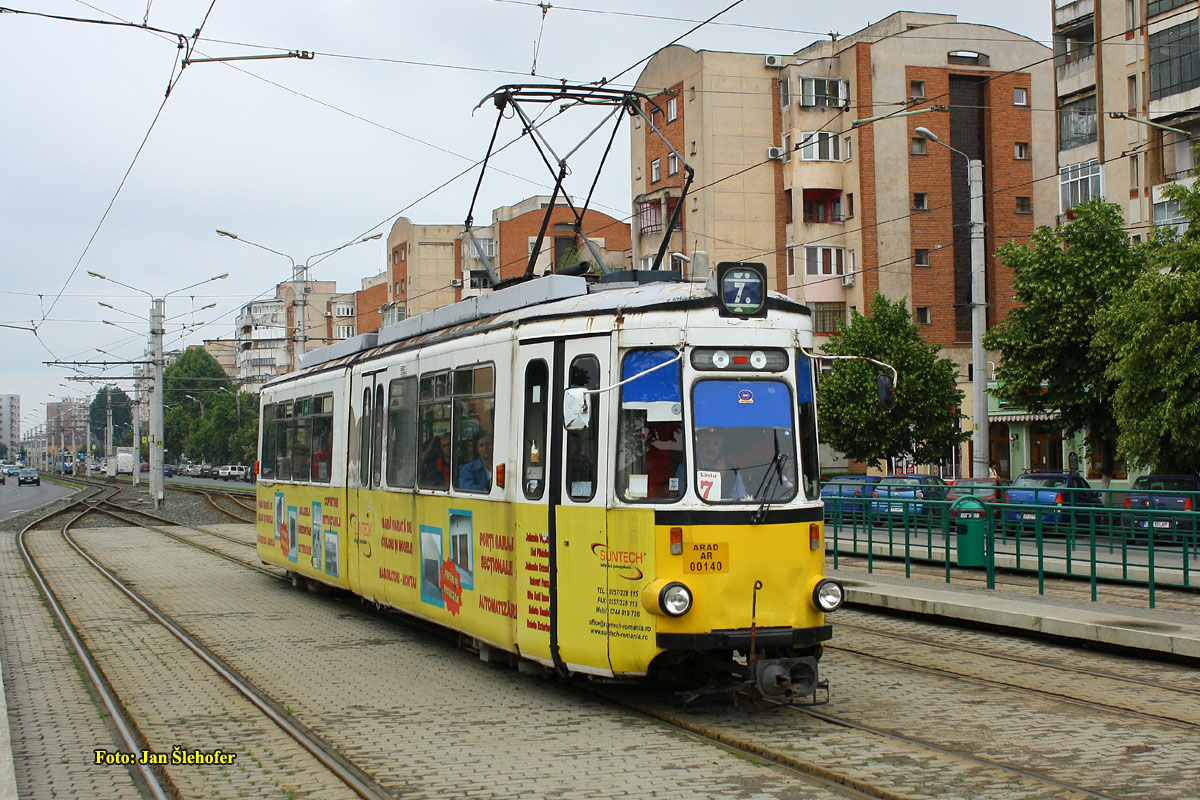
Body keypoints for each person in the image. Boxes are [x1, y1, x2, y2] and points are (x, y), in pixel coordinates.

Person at [692, 428, 749, 501]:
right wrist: (717, 477)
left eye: (716, 443)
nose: (711, 448)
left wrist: (723, 480)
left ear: (721, 446)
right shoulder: (688, 468)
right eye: (707, 443)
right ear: (699, 445)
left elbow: (741, 499)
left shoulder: (732, 472)